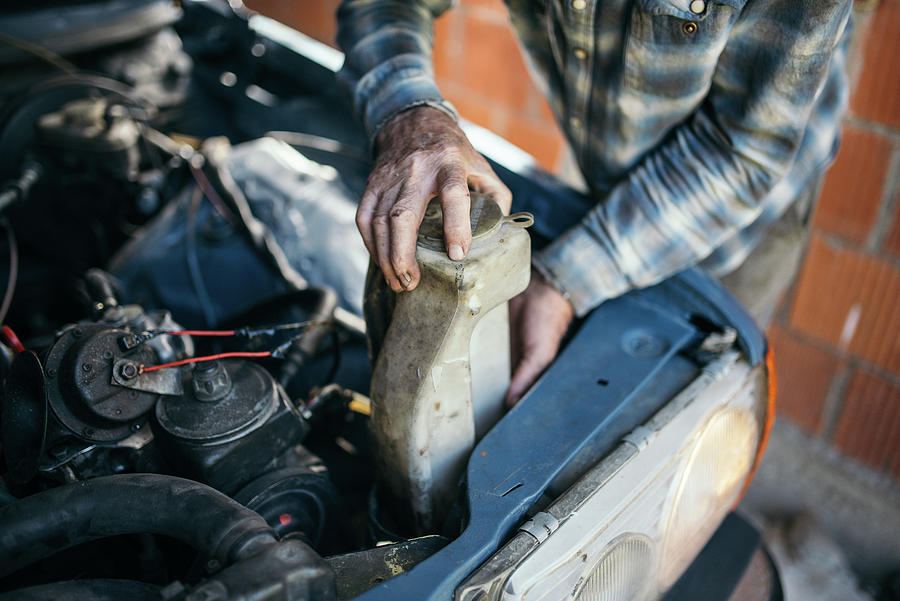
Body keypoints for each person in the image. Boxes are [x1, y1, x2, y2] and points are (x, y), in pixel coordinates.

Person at [336, 0, 851, 404]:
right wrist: (411, 115)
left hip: (741, 208)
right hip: (605, 151)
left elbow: (745, 152)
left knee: (693, 414)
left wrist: (566, 279)